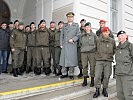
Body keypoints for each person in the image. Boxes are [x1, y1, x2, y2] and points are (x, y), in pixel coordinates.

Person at [93, 27, 116, 98]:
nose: (105, 33)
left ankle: (104, 89)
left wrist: (109, 56)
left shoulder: (112, 41)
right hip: (99, 60)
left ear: (109, 32)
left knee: (107, 76)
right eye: (104, 32)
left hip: (108, 61)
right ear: (102, 33)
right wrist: (98, 56)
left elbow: (114, 49)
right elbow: (95, 49)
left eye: (107, 32)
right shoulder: (98, 40)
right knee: (97, 76)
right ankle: (97, 90)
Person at [59, 12, 80, 79]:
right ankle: (64, 73)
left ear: (73, 18)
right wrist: (61, 44)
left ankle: (71, 73)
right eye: (68, 17)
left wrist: (73, 39)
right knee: (64, 59)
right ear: (67, 18)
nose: (70, 18)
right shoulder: (64, 25)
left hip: (72, 45)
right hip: (65, 45)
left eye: (71, 17)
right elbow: (61, 35)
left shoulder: (76, 25)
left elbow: (78, 35)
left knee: (71, 60)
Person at [115, 31, 133, 100]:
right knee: (120, 94)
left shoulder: (130, 46)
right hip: (118, 74)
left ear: (126, 36)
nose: (120, 37)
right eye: (119, 36)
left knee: (127, 94)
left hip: (127, 75)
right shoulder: (117, 47)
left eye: (122, 35)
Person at [80, 22, 97, 87]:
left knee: (92, 66)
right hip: (84, 53)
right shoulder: (82, 35)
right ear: (84, 28)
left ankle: (92, 80)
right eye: (86, 27)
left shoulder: (94, 35)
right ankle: (85, 80)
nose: (87, 28)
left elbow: (97, 43)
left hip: (92, 53)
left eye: (88, 27)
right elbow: (80, 44)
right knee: (84, 66)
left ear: (90, 27)